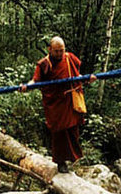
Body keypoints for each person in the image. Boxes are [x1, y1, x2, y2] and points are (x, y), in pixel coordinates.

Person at [21, 36, 97, 173]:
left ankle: (72, 159)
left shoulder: (69, 58)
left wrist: (87, 79)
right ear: (49, 49)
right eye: (56, 51)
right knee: (59, 133)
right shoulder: (44, 64)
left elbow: (77, 76)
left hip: (70, 100)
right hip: (55, 104)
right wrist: (27, 86)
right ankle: (60, 162)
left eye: (62, 50)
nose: (60, 54)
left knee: (73, 130)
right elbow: (35, 80)